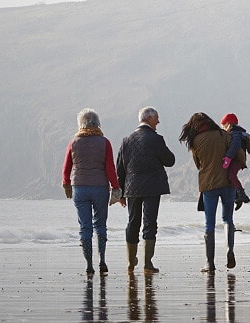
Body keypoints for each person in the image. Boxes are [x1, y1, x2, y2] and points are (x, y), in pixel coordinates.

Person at [179, 112, 245, 273]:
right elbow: (239, 154)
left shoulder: (195, 141)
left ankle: (210, 263)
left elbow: (198, 164)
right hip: (227, 183)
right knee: (228, 218)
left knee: (209, 223)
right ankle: (230, 250)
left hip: (208, 184)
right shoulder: (224, 135)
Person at [61, 108, 122, 275]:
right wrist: (116, 187)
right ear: (98, 123)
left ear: (81, 124)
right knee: (100, 225)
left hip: (79, 188)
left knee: (84, 227)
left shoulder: (73, 142)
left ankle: (89, 264)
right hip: (100, 188)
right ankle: (102, 259)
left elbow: (67, 167)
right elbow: (110, 168)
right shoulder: (104, 142)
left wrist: (66, 184)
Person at [116, 106, 176, 273]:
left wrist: (120, 192)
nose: (158, 121)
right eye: (156, 118)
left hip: (131, 187)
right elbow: (170, 160)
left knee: (133, 222)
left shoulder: (126, 140)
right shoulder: (156, 139)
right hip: (152, 186)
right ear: (149, 119)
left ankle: (130, 262)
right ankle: (147, 263)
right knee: (150, 223)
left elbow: (120, 168)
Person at [219, 113, 250, 210]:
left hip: (237, 160)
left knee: (231, 175)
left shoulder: (235, 133)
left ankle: (242, 195)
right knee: (230, 177)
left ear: (228, 124)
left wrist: (228, 158)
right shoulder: (238, 132)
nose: (223, 128)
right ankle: (237, 197)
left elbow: (235, 146)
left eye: (223, 125)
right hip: (237, 159)